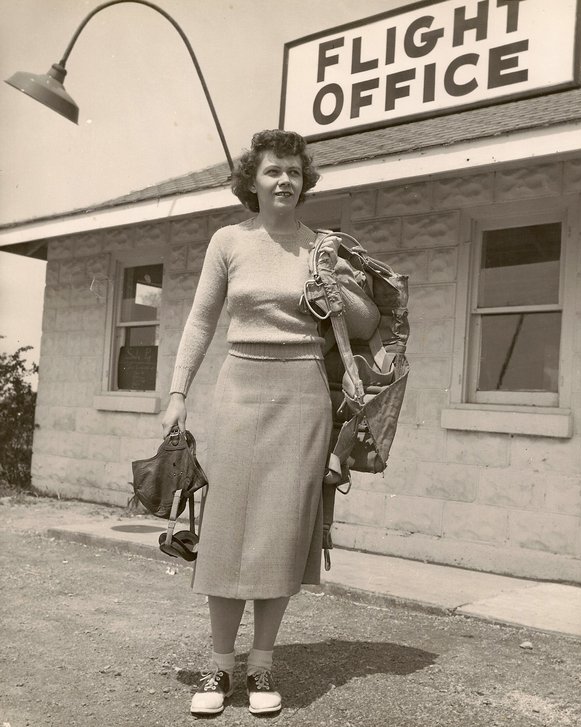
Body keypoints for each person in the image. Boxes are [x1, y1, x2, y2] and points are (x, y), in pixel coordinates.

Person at [161, 129, 336, 717]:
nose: (284, 180)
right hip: (239, 388)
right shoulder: (228, 240)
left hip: (304, 393)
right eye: (272, 172)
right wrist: (178, 391)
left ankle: (262, 665)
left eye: (293, 171)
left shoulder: (323, 247)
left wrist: (336, 292)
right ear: (252, 182)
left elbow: (363, 325)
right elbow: (199, 321)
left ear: (304, 180)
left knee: (282, 530)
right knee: (229, 531)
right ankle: (219, 666)